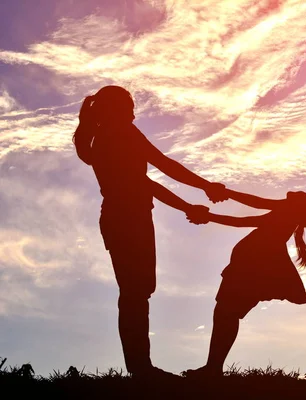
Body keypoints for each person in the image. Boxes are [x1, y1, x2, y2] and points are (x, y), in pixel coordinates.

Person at [72, 85, 222, 378]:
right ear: (118, 109)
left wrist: (189, 203)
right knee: (134, 293)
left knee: (137, 292)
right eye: (129, 107)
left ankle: (141, 367)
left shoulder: (107, 137)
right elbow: (163, 166)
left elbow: (145, 182)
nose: (133, 113)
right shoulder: (120, 134)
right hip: (127, 219)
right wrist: (202, 190)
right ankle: (141, 369)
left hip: (128, 217)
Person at [183, 188, 306, 378]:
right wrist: (212, 214)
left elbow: (253, 204)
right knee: (226, 313)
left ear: (297, 206)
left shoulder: (284, 212)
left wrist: (223, 196)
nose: (293, 191)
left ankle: (213, 368)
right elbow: (245, 217)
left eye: (301, 195)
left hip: (251, 269)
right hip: (249, 267)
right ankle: (213, 367)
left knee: (226, 313)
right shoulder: (284, 216)